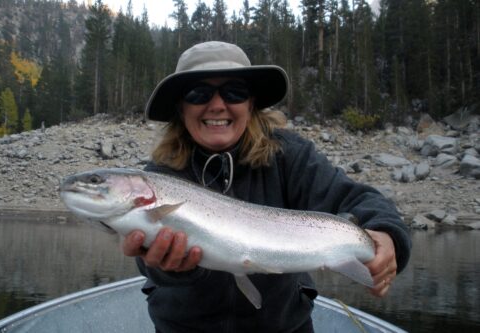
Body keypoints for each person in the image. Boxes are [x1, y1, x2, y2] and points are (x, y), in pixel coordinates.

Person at [122, 41, 411, 332]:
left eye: (235, 92)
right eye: (199, 94)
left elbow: (361, 200)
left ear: (251, 103)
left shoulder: (289, 156)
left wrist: (387, 237)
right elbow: (149, 263)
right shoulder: (158, 179)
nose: (218, 105)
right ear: (180, 107)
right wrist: (169, 270)